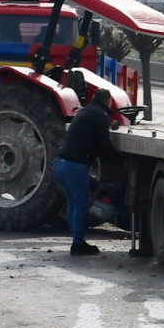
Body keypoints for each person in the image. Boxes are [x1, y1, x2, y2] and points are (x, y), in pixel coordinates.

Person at [54, 88, 115, 256]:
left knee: (73, 203)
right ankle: (78, 243)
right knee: (81, 204)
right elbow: (104, 144)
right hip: (75, 166)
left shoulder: (85, 111)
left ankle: (76, 240)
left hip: (60, 163)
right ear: (108, 101)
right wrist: (117, 159)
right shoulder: (100, 115)